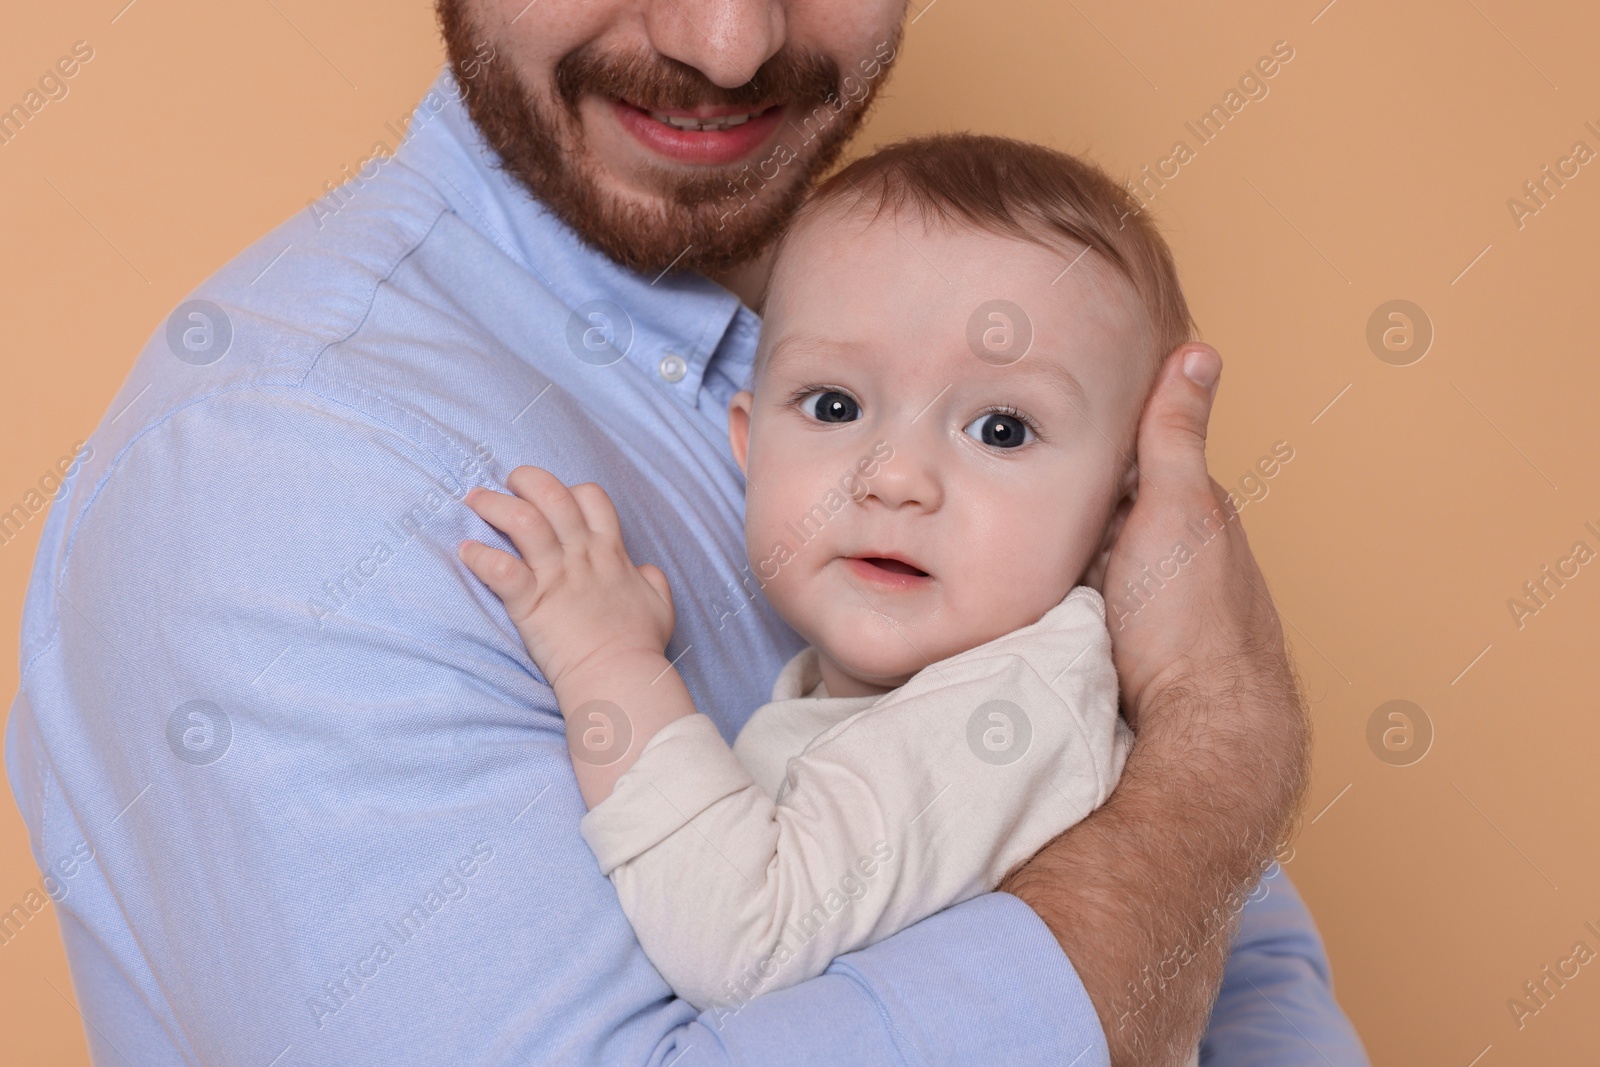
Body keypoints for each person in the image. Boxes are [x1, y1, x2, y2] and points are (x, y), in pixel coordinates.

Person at [4, 2, 1368, 1064]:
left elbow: (1246, 967)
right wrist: (1218, 758)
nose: (730, 45)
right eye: (832, 406)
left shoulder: (908, 329)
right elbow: (1191, 857)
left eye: (999, 431)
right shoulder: (276, 477)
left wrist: (1197, 803)